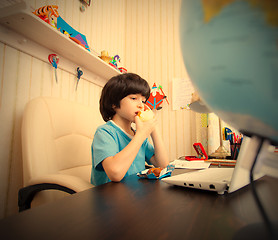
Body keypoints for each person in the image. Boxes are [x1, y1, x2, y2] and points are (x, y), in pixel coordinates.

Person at [91, 73, 169, 186]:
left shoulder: (137, 135)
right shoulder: (105, 132)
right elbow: (115, 173)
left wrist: (153, 127)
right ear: (114, 103)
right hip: (109, 197)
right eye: (134, 98)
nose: (141, 105)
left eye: (143, 101)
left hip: (135, 194)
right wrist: (142, 134)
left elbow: (163, 165)